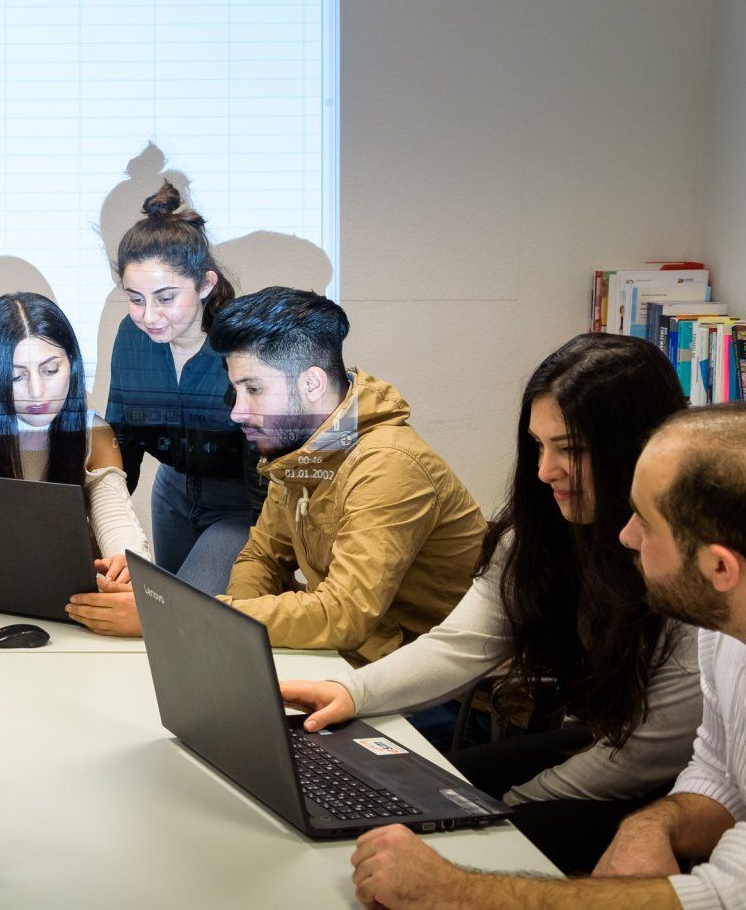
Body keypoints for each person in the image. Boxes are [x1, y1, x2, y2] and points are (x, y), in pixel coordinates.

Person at [279, 334, 698, 874]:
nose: (545, 470)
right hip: (602, 737)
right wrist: (351, 692)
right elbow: (463, 643)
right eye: (538, 445)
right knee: (418, 794)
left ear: (638, 449)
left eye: (571, 450)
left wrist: (497, 812)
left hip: (672, 786)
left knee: (456, 840)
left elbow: (643, 757)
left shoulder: (691, 564)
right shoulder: (543, 532)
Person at [346, 404, 746, 909]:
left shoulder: (698, 621)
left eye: (645, 523)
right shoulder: (722, 624)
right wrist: (652, 824)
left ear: (720, 567)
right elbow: (717, 772)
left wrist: (452, 889)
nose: (626, 536)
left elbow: (725, 896)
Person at [71, 288, 485, 653]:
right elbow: (262, 556)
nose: (237, 411)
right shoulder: (305, 450)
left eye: (253, 389)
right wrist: (237, 633)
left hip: (439, 694)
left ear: (311, 384)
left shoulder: (387, 465)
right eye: (236, 390)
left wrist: (177, 617)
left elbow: (343, 614)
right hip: (362, 663)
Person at [103, 180, 262, 594]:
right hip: (172, 493)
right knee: (161, 606)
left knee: (187, 610)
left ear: (205, 284)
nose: (148, 316)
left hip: (238, 503)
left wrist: (274, 550)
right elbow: (123, 439)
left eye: (165, 298)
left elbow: (264, 464)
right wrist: (104, 527)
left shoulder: (242, 344)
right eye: (136, 299)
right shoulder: (130, 336)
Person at [0, 292, 148, 565]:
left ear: (72, 364)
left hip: (62, 576)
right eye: (16, 376)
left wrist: (128, 567)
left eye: (50, 370)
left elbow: (117, 521)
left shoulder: (93, 433)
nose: (37, 392)